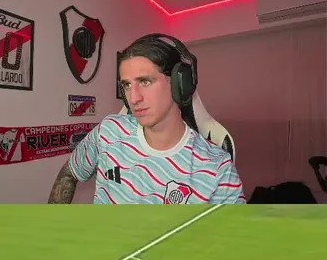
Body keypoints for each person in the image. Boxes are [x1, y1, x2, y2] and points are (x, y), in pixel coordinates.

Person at [48, 34, 244, 204]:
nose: (133, 99)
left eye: (145, 81)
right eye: (127, 85)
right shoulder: (108, 131)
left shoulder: (218, 169)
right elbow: (70, 171)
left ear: (180, 84)